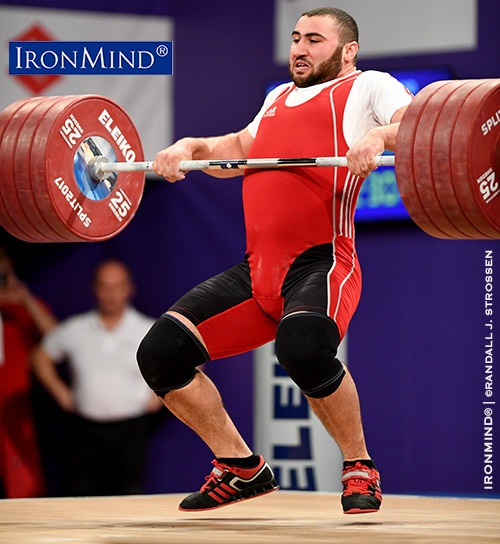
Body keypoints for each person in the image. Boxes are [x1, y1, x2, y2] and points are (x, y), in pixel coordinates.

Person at [137, 7, 413, 514]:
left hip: (322, 262)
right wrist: (189, 147)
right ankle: (239, 467)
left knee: (303, 349)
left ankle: (359, 466)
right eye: (295, 38)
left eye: (314, 39)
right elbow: (240, 151)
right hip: (256, 271)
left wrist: (375, 137)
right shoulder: (277, 98)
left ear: (347, 51)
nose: (300, 49)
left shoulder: (370, 85)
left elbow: (416, 124)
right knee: (159, 354)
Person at [31, 260, 160, 496]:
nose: (111, 294)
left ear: (129, 289)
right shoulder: (75, 329)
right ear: (95, 289)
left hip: (129, 432)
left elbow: (190, 359)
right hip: (83, 434)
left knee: (128, 499)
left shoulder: (147, 330)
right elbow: (40, 357)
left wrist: (161, 396)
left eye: (117, 286)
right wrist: (61, 393)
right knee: (77, 496)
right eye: (105, 286)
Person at [0, 245, 57, 498]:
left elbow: (57, 338)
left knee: (19, 474)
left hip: (15, 404)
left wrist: (24, 298)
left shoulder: (24, 307)